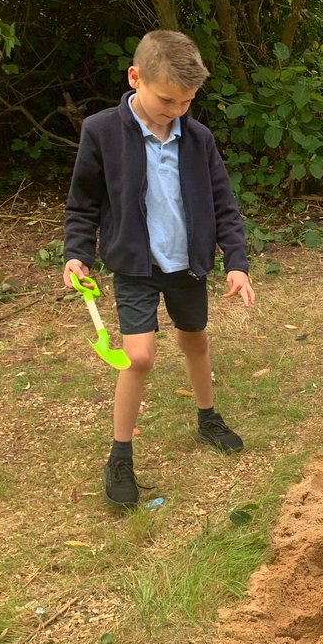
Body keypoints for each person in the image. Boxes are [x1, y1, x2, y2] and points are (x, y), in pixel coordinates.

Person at [63, 30, 255, 506]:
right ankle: (120, 455)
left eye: (188, 101)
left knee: (195, 338)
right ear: (136, 78)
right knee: (140, 357)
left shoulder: (198, 138)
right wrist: (76, 253)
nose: (177, 110)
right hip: (134, 265)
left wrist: (236, 263)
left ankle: (207, 417)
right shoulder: (101, 131)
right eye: (168, 99)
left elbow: (223, 204)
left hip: (186, 265)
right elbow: (83, 202)